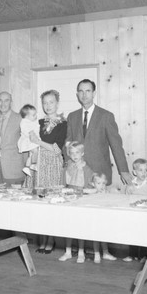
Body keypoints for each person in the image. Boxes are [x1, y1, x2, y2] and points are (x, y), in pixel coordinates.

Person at [66, 79, 132, 187]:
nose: (84, 94)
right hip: (77, 173)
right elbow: (68, 143)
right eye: (81, 91)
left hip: (99, 174)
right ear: (77, 94)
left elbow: (116, 145)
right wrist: (68, 164)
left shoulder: (106, 116)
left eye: (88, 91)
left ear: (94, 93)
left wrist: (123, 170)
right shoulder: (72, 117)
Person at [25, 90, 68, 254]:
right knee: (39, 201)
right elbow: (29, 140)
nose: (48, 106)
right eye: (45, 103)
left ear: (57, 103)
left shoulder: (63, 123)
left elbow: (57, 149)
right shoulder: (39, 121)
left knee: (51, 201)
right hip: (39, 162)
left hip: (52, 163)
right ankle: (41, 239)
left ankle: (50, 240)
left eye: (51, 102)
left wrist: (38, 141)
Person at [58, 142, 94, 264]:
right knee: (68, 225)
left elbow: (89, 185)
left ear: (82, 153)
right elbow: (64, 182)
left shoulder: (86, 168)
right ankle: (68, 251)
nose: (74, 155)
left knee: (80, 226)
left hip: (81, 197)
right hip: (69, 196)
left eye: (77, 152)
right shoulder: (68, 166)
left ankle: (81, 252)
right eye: (72, 153)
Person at [0, 91, 27, 187]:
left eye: (6, 100)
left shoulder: (20, 119)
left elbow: (26, 144)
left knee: (15, 200)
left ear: (11, 102)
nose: (3, 104)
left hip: (15, 169)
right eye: (0, 101)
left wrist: (26, 166)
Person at [122, 158, 147, 263]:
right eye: (140, 170)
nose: (143, 173)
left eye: (145, 170)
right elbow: (126, 197)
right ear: (134, 172)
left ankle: (145, 256)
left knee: (145, 235)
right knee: (133, 233)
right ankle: (132, 254)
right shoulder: (131, 184)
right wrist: (128, 190)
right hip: (134, 213)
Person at [89, 173, 118, 263]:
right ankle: (96, 253)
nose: (101, 186)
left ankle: (105, 253)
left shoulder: (107, 193)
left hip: (104, 218)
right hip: (95, 218)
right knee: (96, 237)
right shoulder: (92, 194)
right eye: (98, 183)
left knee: (104, 236)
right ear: (93, 184)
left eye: (103, 183)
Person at [17, 104, 40, 176]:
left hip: (31, 140)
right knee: (35, 151)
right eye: (33, 115)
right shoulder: (25, 122)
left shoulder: (31, 121)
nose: (35, 116)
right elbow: (27, 131)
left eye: (35, 114)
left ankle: (27, 167)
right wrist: (32, 133)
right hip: (28, 140)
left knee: (32, 154)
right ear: (26, 116)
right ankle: (33, 164)